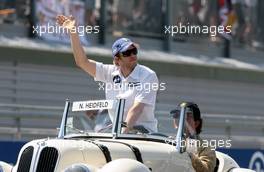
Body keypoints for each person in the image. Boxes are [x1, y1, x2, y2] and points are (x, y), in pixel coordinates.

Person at [56, 15, 158, 133]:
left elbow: (136, 110)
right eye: (127, 53)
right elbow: (82, 62)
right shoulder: (110, 72)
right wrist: (73, 32)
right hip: (119, 135)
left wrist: (121, 136)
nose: (133, 55)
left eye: (134, 51)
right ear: (117, 60)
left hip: (144, 136)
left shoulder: (148, 75)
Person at [170, 102, 216, 172]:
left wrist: (188, 154)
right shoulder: (168, 141)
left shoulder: (205, 147)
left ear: (196, 123)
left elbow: (206, 170)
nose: (180, 119)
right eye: (176, 116)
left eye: (186, 116)